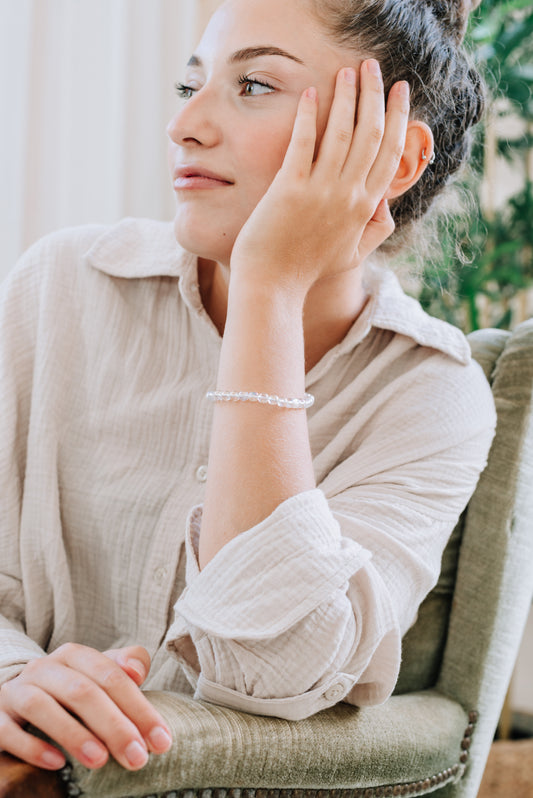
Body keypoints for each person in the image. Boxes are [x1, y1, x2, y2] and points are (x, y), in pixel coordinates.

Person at [0, 0, 496, 777]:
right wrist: (14, 679)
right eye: (187, 86)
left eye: (255, 85)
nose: (185, 126)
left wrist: (268, 291)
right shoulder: (60, 286)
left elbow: (273, 669)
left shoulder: (430, 395)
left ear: (393, 159)